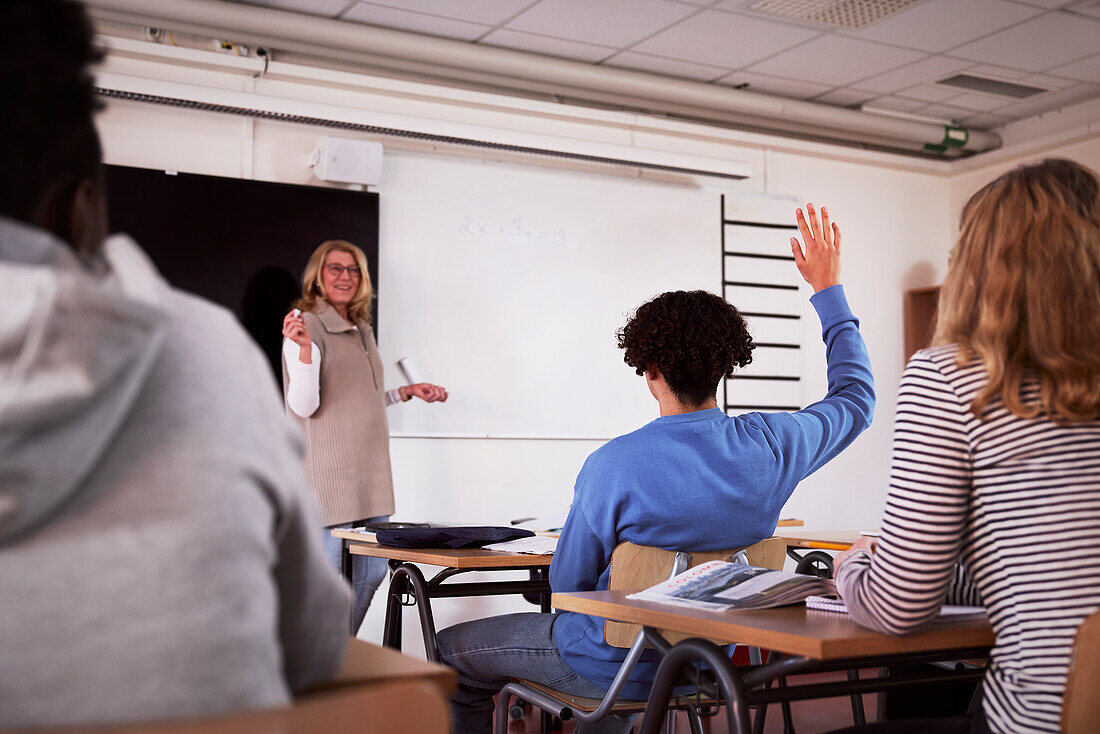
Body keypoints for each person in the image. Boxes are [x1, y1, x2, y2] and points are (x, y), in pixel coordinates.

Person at [0, 0, 352, 727]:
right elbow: (313, 647)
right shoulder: (215, 350)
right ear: (82, 212)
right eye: (336, 268)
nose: (346, 278)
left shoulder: (351, 337)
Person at [436, 203, 875, 733]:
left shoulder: (612, 465)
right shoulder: (773, 445)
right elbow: (855, 398)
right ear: (724, 367)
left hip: (607, 665)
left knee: (448, 651)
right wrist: (827, 287)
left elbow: (569, 585)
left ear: (649, 370)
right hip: (707, 665)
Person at [831, 159, 1100, 734]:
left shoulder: (952, 380)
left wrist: (855, 566)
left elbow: (896, 609)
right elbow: (1053, 569)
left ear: (976, 271)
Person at [282, 240, 449, 633]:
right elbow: (304, 405)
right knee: (328, 585)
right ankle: (320, 669)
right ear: (318, 277)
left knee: (371, 575)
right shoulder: (305, 322)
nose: (345, 277)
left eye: (353, 269)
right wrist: (304, 350)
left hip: (370, 475)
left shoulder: (361, 328)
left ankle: (336, 660)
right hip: (328, 478)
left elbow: (357, 400)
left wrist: (404, 392)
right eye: (335, 268)